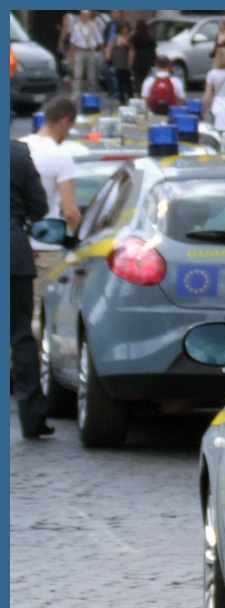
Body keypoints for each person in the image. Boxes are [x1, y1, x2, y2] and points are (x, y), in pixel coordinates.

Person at [10, 139, 53, 439]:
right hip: (12, 251)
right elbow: (40, 206)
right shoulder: (17, 153)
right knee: (20, 334)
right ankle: (32, 418)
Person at [22, 97, 82, 275]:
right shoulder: (60, 158)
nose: (69, 133)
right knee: (44, 301)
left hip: (15, 245)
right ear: (64, 121)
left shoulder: (18, 147)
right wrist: (82, 243)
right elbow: (70, 212)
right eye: (70, 127)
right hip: (45, 247)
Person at [68, 10, 103, 100]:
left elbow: (99, 40)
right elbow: (73, 42)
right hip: (80, 51)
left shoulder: (94, 26)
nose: (86, 17)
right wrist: (71, 54)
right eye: (84, 15)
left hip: (90, 51)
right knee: (78, 73)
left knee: (91, 74)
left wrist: (103, 51)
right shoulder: (76, 27)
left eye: (87, 15)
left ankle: (92, 94)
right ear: (80, 16)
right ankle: (76, 94)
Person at [105, 21, 133, 104]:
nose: (124, 30)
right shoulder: (116, 37)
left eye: (126, 28)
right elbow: (110, 46)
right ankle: (121, 99)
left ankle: (130, 97)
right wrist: (108, 55)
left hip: (126, 60)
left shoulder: (130, 37)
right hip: (118, 60)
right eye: (122, 28)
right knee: (120, 80)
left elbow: (132, 49)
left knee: (127, 81)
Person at [130, 19, 156, 97]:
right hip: (148, 59)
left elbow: (133, 50)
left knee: (138, 79)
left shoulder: (135, 37)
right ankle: (146, 93)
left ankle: (140, 94)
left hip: (138, 59)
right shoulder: (150, 38)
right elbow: (153, 50)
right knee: (146, 78)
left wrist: (130, 62)